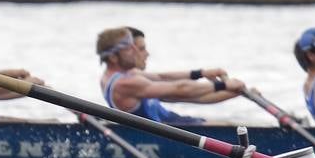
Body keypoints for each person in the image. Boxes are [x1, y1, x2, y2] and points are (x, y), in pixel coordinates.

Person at [96, 26, 244, 124]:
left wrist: (201, 73)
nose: (135, 51)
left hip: (172, 124)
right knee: (230, 127)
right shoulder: (124, 84)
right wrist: (223, 85)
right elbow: (179, 89)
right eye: (129, 48)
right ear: (113, 57)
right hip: (169, 135)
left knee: (228, 125)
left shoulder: (127, 74)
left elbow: (163, 78)